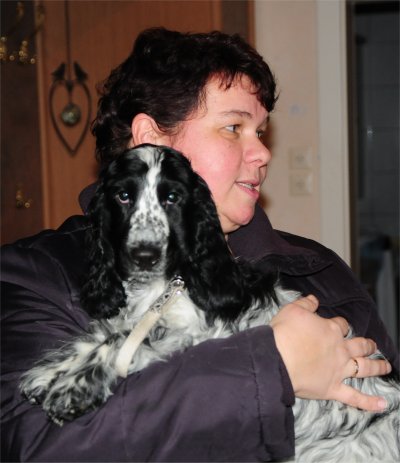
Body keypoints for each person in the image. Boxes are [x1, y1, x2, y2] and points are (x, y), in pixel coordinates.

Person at [1, 28, 398, 462]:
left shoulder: (318, 268)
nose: (263, 153)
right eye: (233, 127)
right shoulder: (36, 278)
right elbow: (40, 447)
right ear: (151, 139)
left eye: (260, 131)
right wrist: (271, 365)